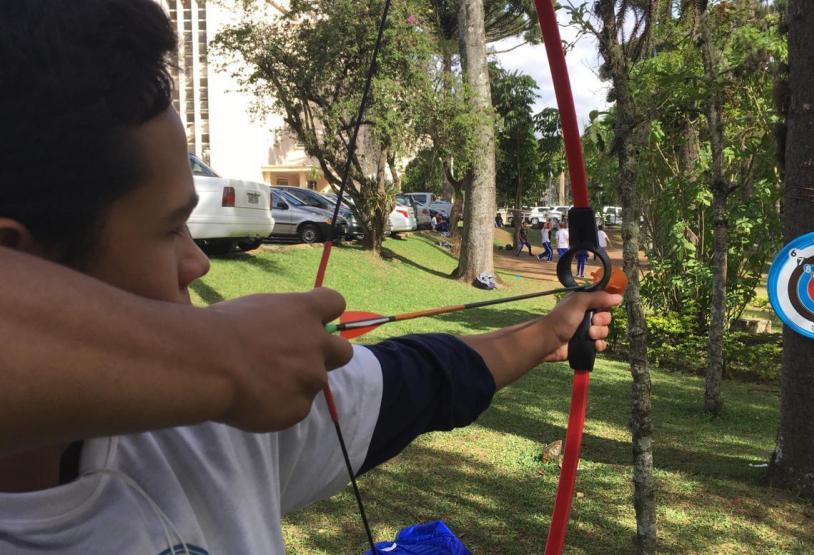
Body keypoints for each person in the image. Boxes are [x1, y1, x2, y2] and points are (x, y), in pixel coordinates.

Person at [0, 2, 620, 552]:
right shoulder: (223, 383)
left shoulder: (216, 419)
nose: (198, 262)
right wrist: (225, 358)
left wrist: (548, 333)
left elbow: (427, 380)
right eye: (168, 230)